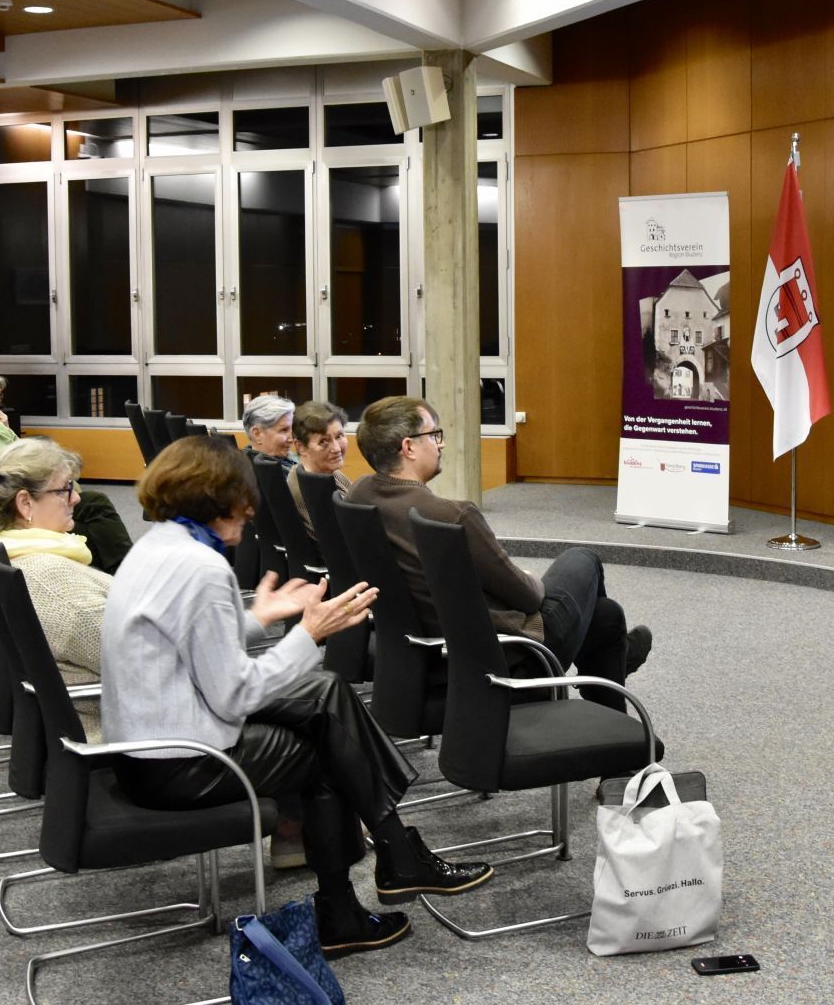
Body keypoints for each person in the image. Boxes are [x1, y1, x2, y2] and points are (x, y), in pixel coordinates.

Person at [102, 435, 493, 955]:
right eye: (243, 499)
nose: (250, 512)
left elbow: (189, 641)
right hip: (182, 762)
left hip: (148, 743)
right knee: (325, 751)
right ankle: (355, 897)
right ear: (217, 498)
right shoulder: (200, 567)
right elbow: (236, 696)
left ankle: (393, 857)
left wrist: (260, 617)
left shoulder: (157, 547)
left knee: (325, 691)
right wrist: (310, 634)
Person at [345, 396, 652, 710]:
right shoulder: (451, 515)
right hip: (512, 656)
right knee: (584, 558)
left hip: (429, 654)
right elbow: (527, 596)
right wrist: (530, 577)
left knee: (605, 616)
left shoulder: (359, 495)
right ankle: (610, 657)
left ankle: (615, 701)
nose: (441, 444)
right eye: (434, 435)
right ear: (409, 447)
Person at [0, 363, 134, 573]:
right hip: (17, 509)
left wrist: (64, 486)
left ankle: (124, 571)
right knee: (96, 527)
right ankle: (127, 572)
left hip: (35, 495)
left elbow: (32, 459)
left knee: (95, 506)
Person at [0, 438, 108, 690]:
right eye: (65, 489)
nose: (76, 498)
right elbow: (143, 662)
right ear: (25, 503)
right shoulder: (56, 583)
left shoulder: (3, 545)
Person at [287, 399, 351, 541]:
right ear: (301, 447)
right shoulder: (311, 490)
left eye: (339, 436)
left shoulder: (327, 473)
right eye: (323, 441)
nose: (336, 448)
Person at [242, 394, 297, 466]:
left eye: (292, 429)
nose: (291, 440)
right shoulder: (249, 470)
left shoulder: (295, 459)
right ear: (257, 434)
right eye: (284, 430)